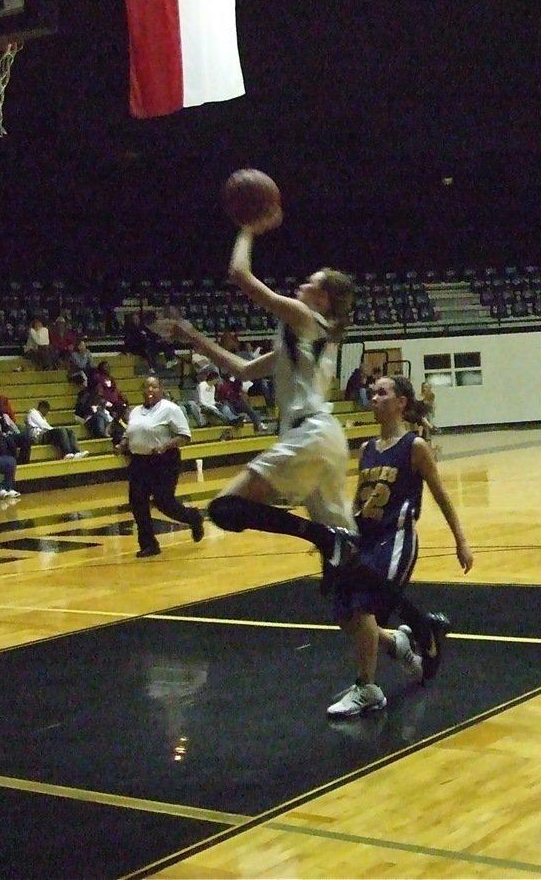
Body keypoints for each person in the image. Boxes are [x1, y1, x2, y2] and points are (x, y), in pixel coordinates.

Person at [154, 215, 359, 578]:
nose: (300, 286)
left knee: (226, 506)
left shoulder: (303, 317)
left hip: (310, 434)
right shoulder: (305, 340)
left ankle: (322, 537)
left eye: (309, 283)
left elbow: (240, 276)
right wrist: (192, 335)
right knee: (346, 563)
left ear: (323, 298)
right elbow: (243, 370)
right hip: (325, 438)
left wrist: (248, 228)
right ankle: (413, 625)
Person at [327, 374, 473, 718]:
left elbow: (441, 494)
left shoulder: (414, 447)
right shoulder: (366, 450)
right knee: (345, 616)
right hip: (364, 540)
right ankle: (399, 643)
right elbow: (360, 500)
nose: (373, 397)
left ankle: (367, 688)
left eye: (381, 393)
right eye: (373, 392)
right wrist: (343, 534)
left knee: (364, 609)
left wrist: (461, 540)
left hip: (396, 540)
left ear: (401, 402)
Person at [114, 375, 205, 558]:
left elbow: (185, 436)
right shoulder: (135, 411)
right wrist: (123, 444)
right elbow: (129, 432)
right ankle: (148, 543)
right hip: (139, 461)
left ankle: (193, 517)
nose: (150, 390)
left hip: (164, 461)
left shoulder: (171, 409)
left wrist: (165, 446)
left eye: (154, 387)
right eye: (146, 387)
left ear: (161, 389)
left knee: (164, 501)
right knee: (137, 501)